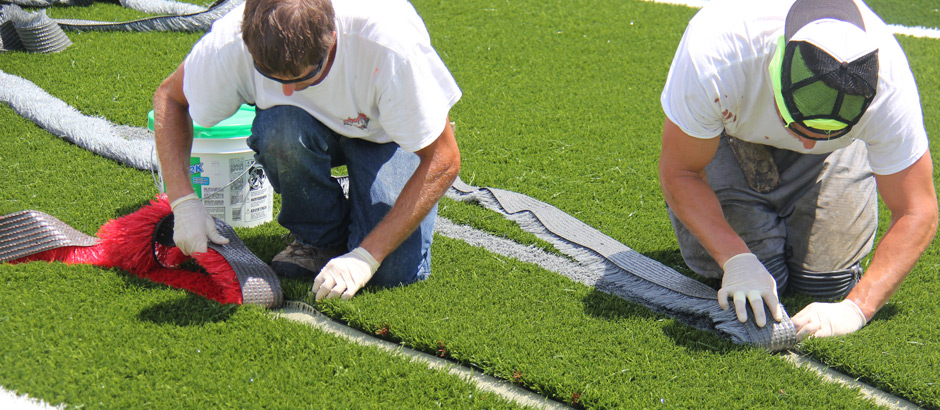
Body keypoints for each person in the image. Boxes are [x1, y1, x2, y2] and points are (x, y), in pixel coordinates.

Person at [658, 0, 937, 339]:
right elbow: (681, 172)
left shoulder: (888, 87)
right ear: (774, 73)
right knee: (762, 277)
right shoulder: (717, 54)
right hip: (732, 134)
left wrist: (857, 308)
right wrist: (735, 259)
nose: (806, 144)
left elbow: (917, 209)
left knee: (827, 283)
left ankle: (834, 149)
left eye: (823, 133)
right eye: (796, 126)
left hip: (833, 154)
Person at [152, 0, 461, 301]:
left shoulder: (389, 46)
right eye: (272, 77)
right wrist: (183, 201)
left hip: (387, 134)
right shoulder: (232, 41)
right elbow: (171, 98)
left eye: (304, 78)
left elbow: (443, 158)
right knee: (280, 128)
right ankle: (318, 238)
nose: (287, 91)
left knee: (391, 271)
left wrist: (367, 255)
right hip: (298, 127)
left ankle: (358, 198)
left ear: (332, 39)